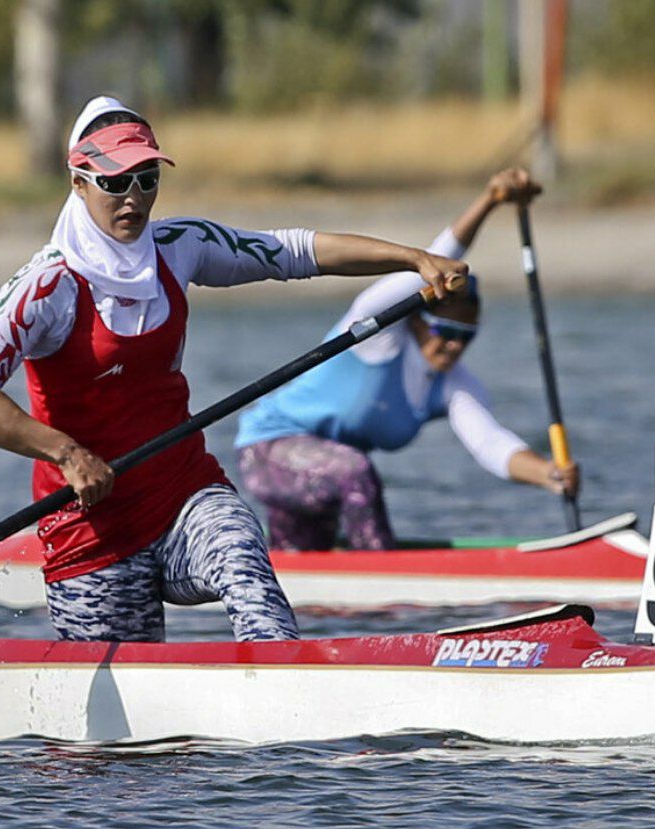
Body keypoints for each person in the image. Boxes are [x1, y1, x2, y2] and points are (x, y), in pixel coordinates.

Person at [0, 95, 467, 643]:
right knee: (123, 724)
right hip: (92, 532)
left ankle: (287, 684)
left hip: (183, 495)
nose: (134, 198)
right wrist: (67, 454)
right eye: (115, 183)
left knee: (241, 548)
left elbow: (292, 252)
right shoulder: (46, 288)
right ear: (78, 182)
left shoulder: (178, 247)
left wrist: (414, 259)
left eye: (147, 179)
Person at [233, 168, 580, 552]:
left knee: (304, 564)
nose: (453, 347)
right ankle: (382, 583)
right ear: (416, 321)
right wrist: (490, 201)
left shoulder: (453, 385)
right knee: (356, 472)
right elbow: (435, 258)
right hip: (268, 452)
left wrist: (549, 474)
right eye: (444, 332)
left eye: (465, 337)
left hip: (322, 470)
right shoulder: (375, 334)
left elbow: (490, 445)